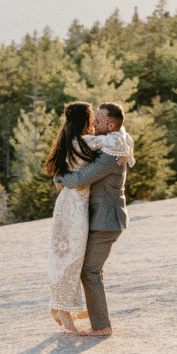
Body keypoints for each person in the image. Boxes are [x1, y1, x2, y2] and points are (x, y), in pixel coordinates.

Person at [52, 102, 133, 336]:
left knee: (90, 271)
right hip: (97, 219)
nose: (94, 123)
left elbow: (80, 180)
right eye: (94, 117)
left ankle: (102, 326)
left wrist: (61, 179)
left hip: (107, 220)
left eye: (99, 119)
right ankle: (97, 321)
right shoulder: (112, 143)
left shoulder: (112, 152)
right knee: (86, 268)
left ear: (112, 123)